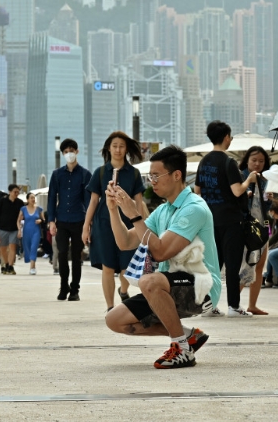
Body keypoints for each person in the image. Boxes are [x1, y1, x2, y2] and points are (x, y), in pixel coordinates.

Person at [105, 145, 220, 369]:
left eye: (156, 176)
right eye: (150, 176)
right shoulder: (164, 210)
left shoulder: (194, 208)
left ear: (177, 175)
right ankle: (188, 336)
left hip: (201, 287)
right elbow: (125, 242)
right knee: (115, 320)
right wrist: (113, 209)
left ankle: (182, 349)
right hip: (170, 285)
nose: (152, 182)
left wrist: (134, 214)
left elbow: (159, 252)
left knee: (149, 281)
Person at [194, 121, 258, 317]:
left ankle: (208, 305)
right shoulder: (228, 162)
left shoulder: (203, 162)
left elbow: (197, 191)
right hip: (231, 220)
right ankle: (234, 306)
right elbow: (237, 190)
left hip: (209, 220)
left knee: (213, 264)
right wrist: (249, 180)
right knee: (232, 264)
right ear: (226, 137)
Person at [83, 131, 146, 311]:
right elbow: (93, 201)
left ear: (126, 149)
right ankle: (110, 307)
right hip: (103, 225)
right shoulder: (101, 172)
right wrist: (86, 227)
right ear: (109, 149)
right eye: (115, 146)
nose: (118, 150)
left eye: (121, 146)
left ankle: (123, 291)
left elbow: (139, 202)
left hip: (128, 224)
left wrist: (141, 226)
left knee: (127, 267)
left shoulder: (134, 173)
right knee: (108, 267)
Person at [48, 138, 92, 301]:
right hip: (62, 220)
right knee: (61, 254)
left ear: (77, 152)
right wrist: (51, 221)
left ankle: (75, 290)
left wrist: (89, 222)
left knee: (76, 256)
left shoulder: (85, 174)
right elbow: (52, 198)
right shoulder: (57, 174)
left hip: (79, 219)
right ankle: (63, 286)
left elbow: (88, 200)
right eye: (66, 152)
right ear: (63, 154)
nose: (69, 154)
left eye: (71, 151)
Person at [238, 146, 271, 313]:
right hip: (245, 227)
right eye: (254, 160)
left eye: (261, 161)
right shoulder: (241, 176)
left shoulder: (265, 179)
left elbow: (266, 208)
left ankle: (252, 305)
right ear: (247, 161)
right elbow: (236, 198)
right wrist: (247, 194)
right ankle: (234, 304)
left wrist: (269, 200)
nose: (257, 164)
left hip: (262, 226)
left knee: (260, 264)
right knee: (246, 265)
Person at [0, 184, 24, 275]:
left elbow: (23, 215)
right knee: (3, 247)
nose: (16, 194)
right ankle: (6, 264)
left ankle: (10, 266)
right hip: (2, 228)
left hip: (14, 228)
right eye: (15, 192)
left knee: (12, 247)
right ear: (10, 192)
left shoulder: (20, 203)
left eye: (18, 192)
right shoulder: (2, 201)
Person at [18, 193, 46, 275]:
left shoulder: (39, 209)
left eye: (34, 198)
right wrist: (19, 230)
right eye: (31, 198)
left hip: (36, 231)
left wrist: (40, 220)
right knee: (27, 248)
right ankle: (31, 263)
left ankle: (32, 267)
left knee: (34, 247)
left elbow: (44, 219)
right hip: (26, 231)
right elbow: (18, 221)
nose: (33, 199)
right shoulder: (23, 209)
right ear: (27, 199)